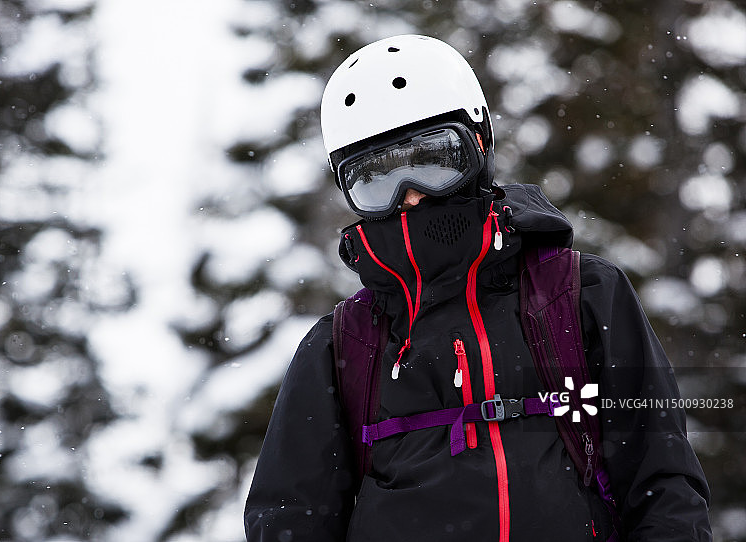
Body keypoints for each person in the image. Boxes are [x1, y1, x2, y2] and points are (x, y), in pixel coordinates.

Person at [244, 34, 712, 542]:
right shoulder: (346, 345)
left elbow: (661, 480)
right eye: (377, 177)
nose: (413, 196)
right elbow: (289, 521)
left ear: (480, 146)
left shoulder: (577, 294)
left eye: (433, 158)